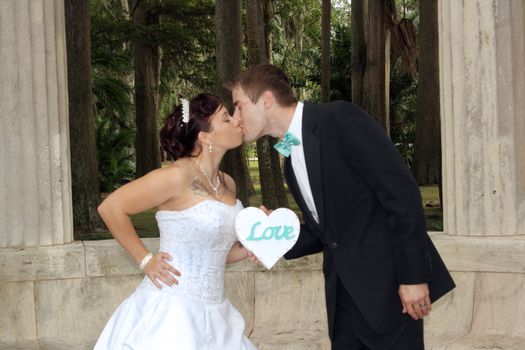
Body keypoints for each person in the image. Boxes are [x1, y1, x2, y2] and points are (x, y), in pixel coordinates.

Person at [229, 64, 456, 350]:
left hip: (391, 290)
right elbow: (322, 231)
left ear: (266, 99)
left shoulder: (339, 118)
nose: (235, 118)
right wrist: (274, 236)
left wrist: (413, 277)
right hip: (343, 301)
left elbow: (401, 194)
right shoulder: (289, 159)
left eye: (238, 106)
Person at [94, 93, 257, 350]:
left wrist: (254, 246)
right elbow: (111, 207)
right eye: (226, 119)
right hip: (172, 310)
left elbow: (217, 253)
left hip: (217, 314)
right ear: (204, 136)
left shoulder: (228, 183)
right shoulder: (175, 176)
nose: (237, 122)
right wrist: (146, 260)